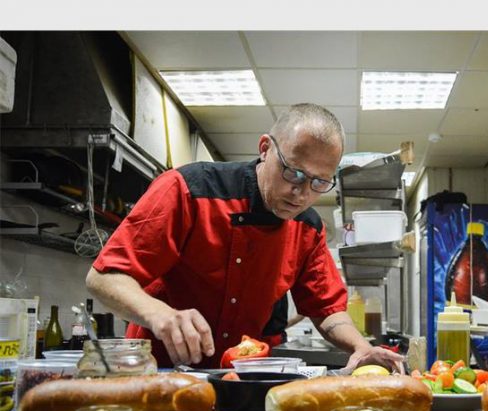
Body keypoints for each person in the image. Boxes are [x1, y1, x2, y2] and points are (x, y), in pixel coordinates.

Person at [86, 103, 405, 374]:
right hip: (160, 369)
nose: (301, 193)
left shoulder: (309, 228)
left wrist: (361, 347)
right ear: (265, 148)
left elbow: (325, 308)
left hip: (243, 377)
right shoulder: (188, 189)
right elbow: (104, 278)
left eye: (319, 183)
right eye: (293, 173)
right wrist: (159, 314)